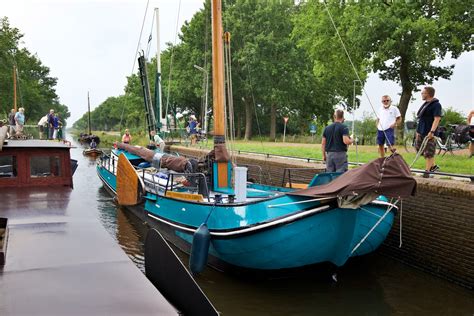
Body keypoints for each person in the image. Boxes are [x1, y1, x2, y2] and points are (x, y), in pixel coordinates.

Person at [415, 86, 442, 177]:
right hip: (421, 130)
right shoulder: (425, 104)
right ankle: (433, 166)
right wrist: (418, 132)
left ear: (428, 94)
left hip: (429, 132)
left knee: (429, 152)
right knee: (420, 149)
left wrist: (432, 131)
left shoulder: (436, 105)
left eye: (423, 93)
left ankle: (427, 172)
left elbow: (437, 119)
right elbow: (421, 118)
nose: (421, 94)